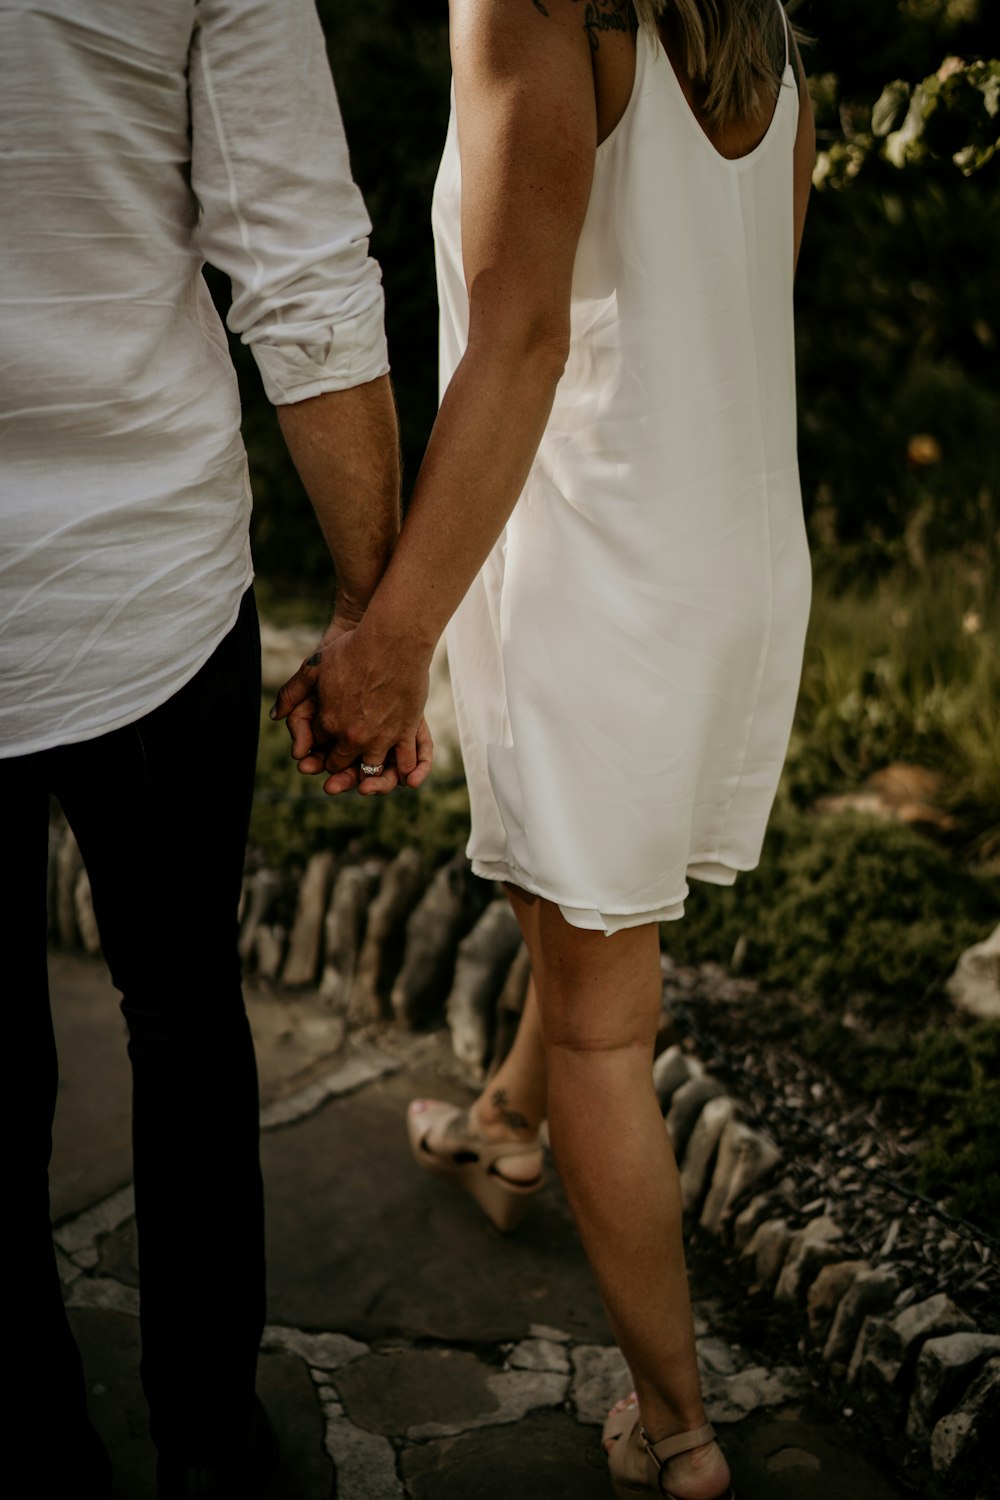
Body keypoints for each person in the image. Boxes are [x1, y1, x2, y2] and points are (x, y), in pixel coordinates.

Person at [275, 0, 814, 1494]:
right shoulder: (764, 32)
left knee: (606, 1026)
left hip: (601, 573)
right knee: (589, 923)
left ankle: (678, 1428)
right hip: (736, 556)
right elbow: (731, 302)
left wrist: (387, 642)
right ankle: (506, 1125)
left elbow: (521, 334)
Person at [0, 1, 414, 1494]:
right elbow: (300, 267)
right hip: (149, 576)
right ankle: (209, 1451)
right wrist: (375, 622)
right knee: (183, 1019)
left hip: (148, 584)